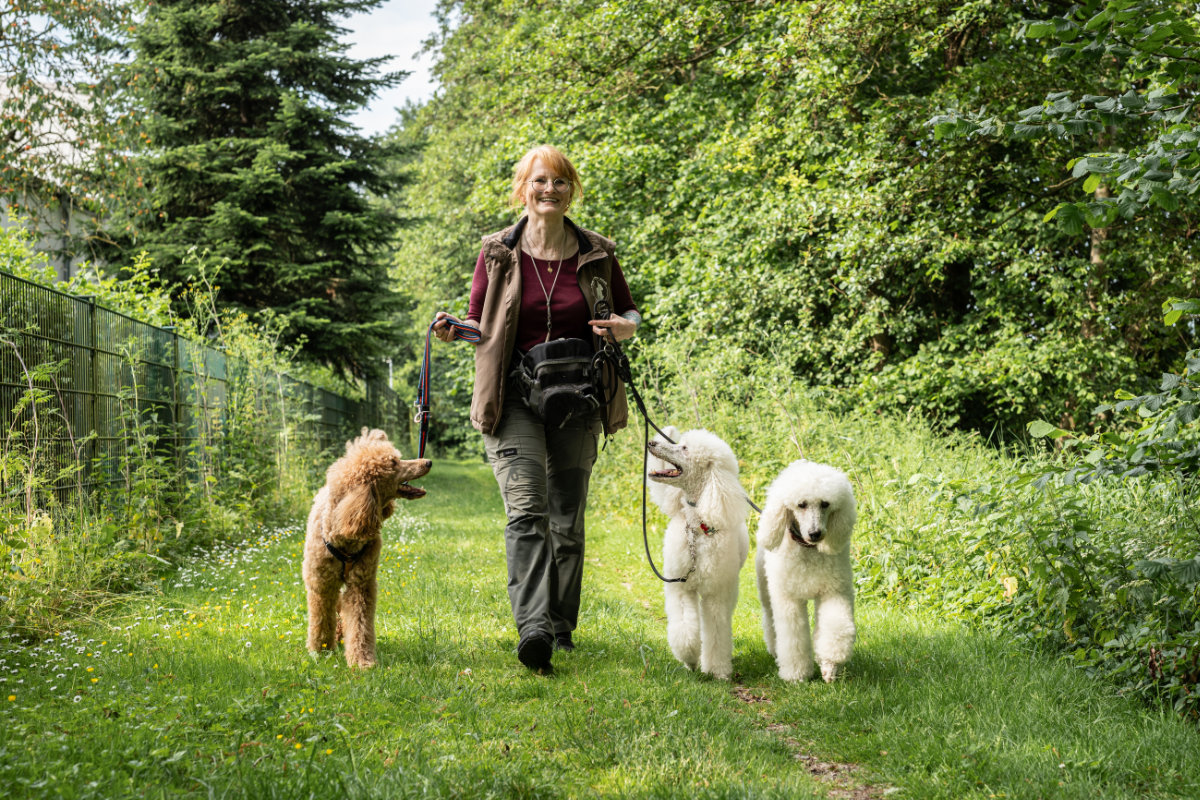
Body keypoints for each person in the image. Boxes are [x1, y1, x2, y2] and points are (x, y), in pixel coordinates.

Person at [433, 145, 640, 673]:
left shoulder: (597, 251)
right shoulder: (498, 251)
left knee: (567, 520)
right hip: (515, 396)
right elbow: (480, 321)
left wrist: (625, 327)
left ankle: (561, 626)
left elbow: (628, 309)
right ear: (522, 188)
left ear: (572, 190)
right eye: (540, 181)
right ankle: (534, 631)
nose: (550, 190)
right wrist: (456, 328)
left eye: (560, 182)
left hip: (578, 396)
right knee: (529, 511)